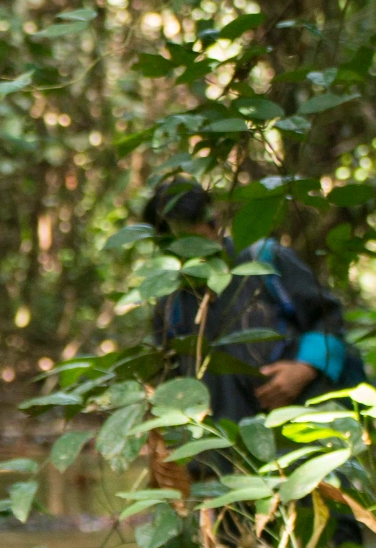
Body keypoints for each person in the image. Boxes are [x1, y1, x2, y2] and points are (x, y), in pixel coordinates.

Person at [142, 178, 362, 423]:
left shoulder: (264, 260)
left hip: (298, 425)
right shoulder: (171, 302)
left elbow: (327, 319)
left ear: (211, 220)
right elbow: (168, 381)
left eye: (192, 234)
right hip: (219, 448)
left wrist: (304, 368)